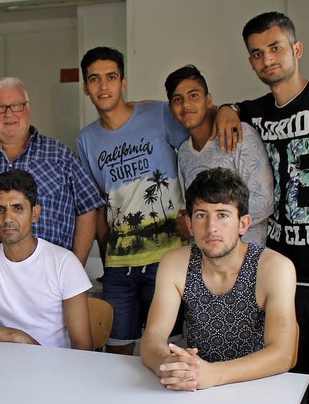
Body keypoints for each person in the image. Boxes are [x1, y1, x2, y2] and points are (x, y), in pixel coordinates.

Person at [213, 11, 309, 402]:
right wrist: (227, 107)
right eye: (257, 53)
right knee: (288, 376)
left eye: (275, 48)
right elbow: (232, 110)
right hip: (285, 269)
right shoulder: (255, 113)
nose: (267, 59)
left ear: (297, 48)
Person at [140, 167, 297, 391]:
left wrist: (215, 374)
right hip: (198, 387)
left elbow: (283, 354)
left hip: (261, 386)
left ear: (243, 224)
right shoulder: (175, 263)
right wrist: (168, 364)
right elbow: (152, 337)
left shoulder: (275, 267)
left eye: (222, 215)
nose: (211, 227)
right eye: (201, 215)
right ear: (190, 225)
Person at [77, 46, 189, 355]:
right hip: (119, 266)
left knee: (169, 350)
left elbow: (198, 145)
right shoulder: (86, 139)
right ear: (86, 88)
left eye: (111, 77)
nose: (103, 86)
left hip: (167, 259)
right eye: (95, 79)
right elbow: (98, 205)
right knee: (115, 350)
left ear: (123, 82)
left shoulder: (159, 115)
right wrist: (104, 260)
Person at [0, 77, 103, 265]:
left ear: (27, 108)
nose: (8, 114)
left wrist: (75, 267)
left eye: (16, 105)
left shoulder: (60, 155)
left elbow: (88, 209)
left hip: (51, 281)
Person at [0, 170, 93, 349]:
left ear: (35, 214)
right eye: (0, 209)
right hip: (7, 365)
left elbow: (83, 347)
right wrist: (15, 336)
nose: (8, 218)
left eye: (17, 208)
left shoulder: (64, 263)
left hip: (56, 368)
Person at [164, 64, 274, 245]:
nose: (186, 105)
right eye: (177, 100)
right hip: (205, 261)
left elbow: (263, 202)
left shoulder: (239, 133)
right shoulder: (184, 151)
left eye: (193, 96)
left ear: (208, 100)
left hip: (245, 257)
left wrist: (194, 223)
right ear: (171, 108)